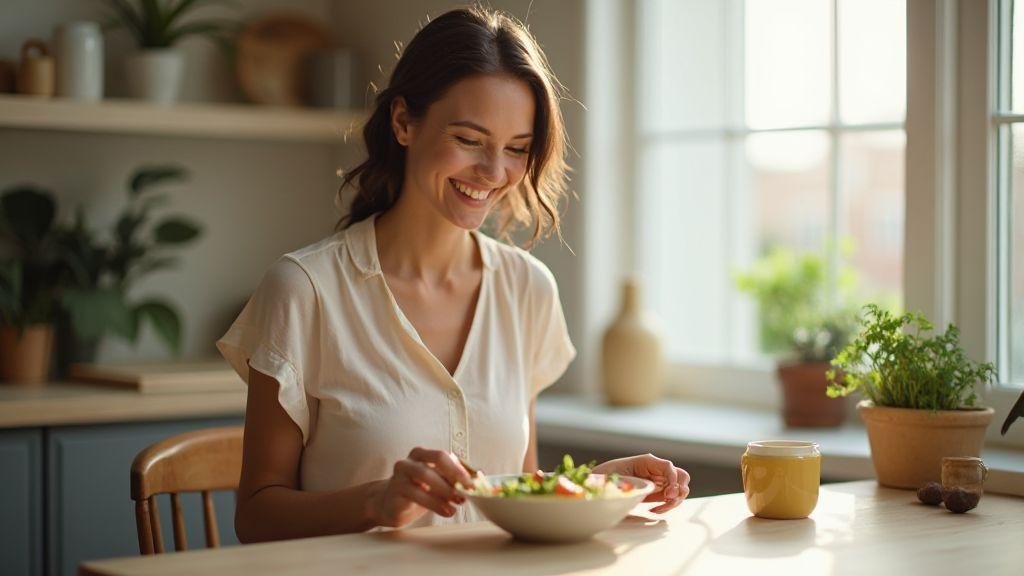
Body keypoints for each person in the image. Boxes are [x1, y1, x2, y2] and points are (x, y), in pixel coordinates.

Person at [217, 5, 690, 543]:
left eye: (517, 149)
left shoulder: (528, 289)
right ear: (403, 122)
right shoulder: (304, 290)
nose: (493, 172)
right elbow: (255, 518)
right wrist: (376, 501)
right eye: (469, 140)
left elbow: (511, 486)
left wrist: (596, 488)